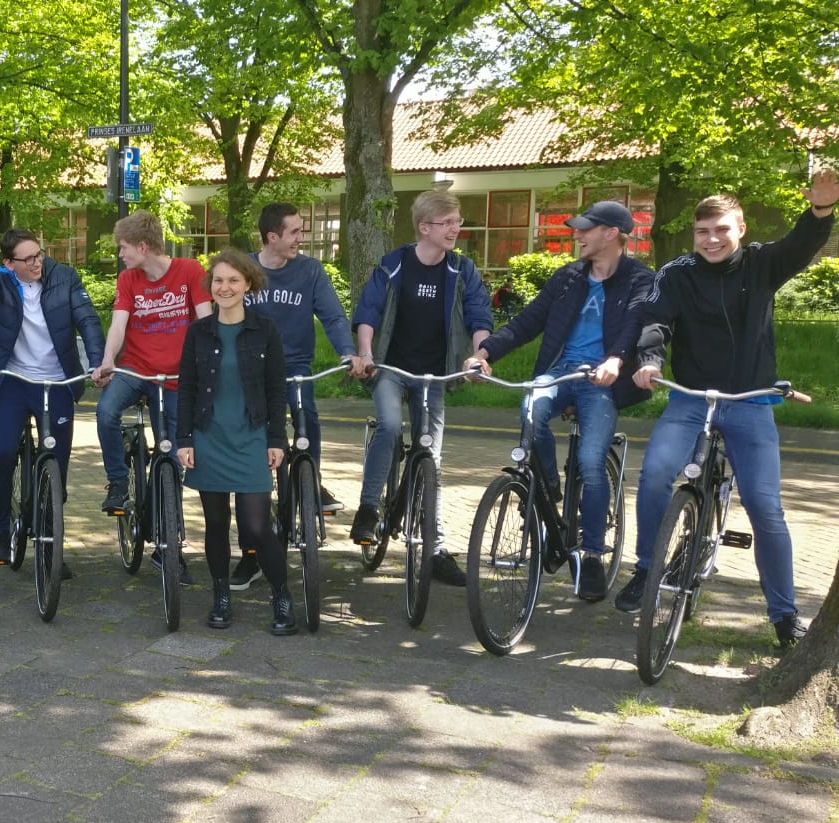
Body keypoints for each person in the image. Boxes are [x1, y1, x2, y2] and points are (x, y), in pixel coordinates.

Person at [617, 171, 836, 649]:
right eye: (703, 231)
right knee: (655, 474)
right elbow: (655, 321)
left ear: (740, 230)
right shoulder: (676, 273)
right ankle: (648, 568)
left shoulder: (762, 264)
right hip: (691, 397)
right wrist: (650, 362)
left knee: (765, 506)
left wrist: (821, 212)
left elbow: (801, 244)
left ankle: (782, 615)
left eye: (721, 230)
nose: (712, 239)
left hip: (750, 400)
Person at [466, 200, 654, 600]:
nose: (577, 234)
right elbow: (527, 322)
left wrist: (615, 361)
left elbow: (636, 325)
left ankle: (591, 555)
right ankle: (549, 490)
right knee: (531, 414)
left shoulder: (639, 279)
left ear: (611, 234)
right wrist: (485, 353)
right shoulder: (568, 277)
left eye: (586, 228)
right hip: (559, 370)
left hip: (600, 379)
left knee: (589, 463)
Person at [348, 189, 493, 587]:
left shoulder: (462, 270)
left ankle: (435, 550)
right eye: (447, 223)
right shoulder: (394, 265)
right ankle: (368, 509)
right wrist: (365, 354)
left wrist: (480, 354)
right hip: (391, 369)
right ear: (424, 228)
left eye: (457, 221)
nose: (456, 229)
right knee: (391, 426)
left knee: (432, 458)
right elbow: (369, 311)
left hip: (435, 375)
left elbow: (480, 313)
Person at [228, 202, 369, 591]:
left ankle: (311, 480)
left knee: (307, 414)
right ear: (272, 237)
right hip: (249, 372)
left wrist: (347, 351)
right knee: (248, 455)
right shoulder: (244, 271)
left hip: (295, 366)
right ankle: (250, 555)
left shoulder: (309, 271)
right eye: (294, 231)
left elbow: (333, 315)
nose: (300, 238)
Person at [0, 199, 106, 566]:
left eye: (39, 255)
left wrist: (99, 362)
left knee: (57, 463)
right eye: (28, 259)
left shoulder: (65, 277)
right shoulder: (4, 283)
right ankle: (1, 531)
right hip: (12, 381)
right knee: (2, 454)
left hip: (57, 382)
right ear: (9, 264)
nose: (37, 263)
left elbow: (87, 319)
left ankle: (50, 542)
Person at [177, 250, 296, 634]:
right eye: (218, 281)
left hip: (252, 438)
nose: (224, 287)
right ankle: (221, 596)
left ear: (248, 284)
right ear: (210, 287)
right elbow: (188, 390)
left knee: (257, 526)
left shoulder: (265, 330)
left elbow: (277, 389)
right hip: (209, 436)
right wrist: (184, 439)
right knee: (215, 523)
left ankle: (282, 596)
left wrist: (277, 438)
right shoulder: (199, 331)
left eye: (232, 280)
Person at [93, 211, 211, 582]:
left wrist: (206, 367)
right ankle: (117, 482)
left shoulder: (191, 271)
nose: (121, 254)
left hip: (177, 378)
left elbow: (206, 321)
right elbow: (119, 323)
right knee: (106, 412)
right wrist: (109, 361)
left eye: (124, 248)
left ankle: (168, 546)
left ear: (143, 247)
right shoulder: (129, 278)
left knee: (173, 456)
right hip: (135, 370)